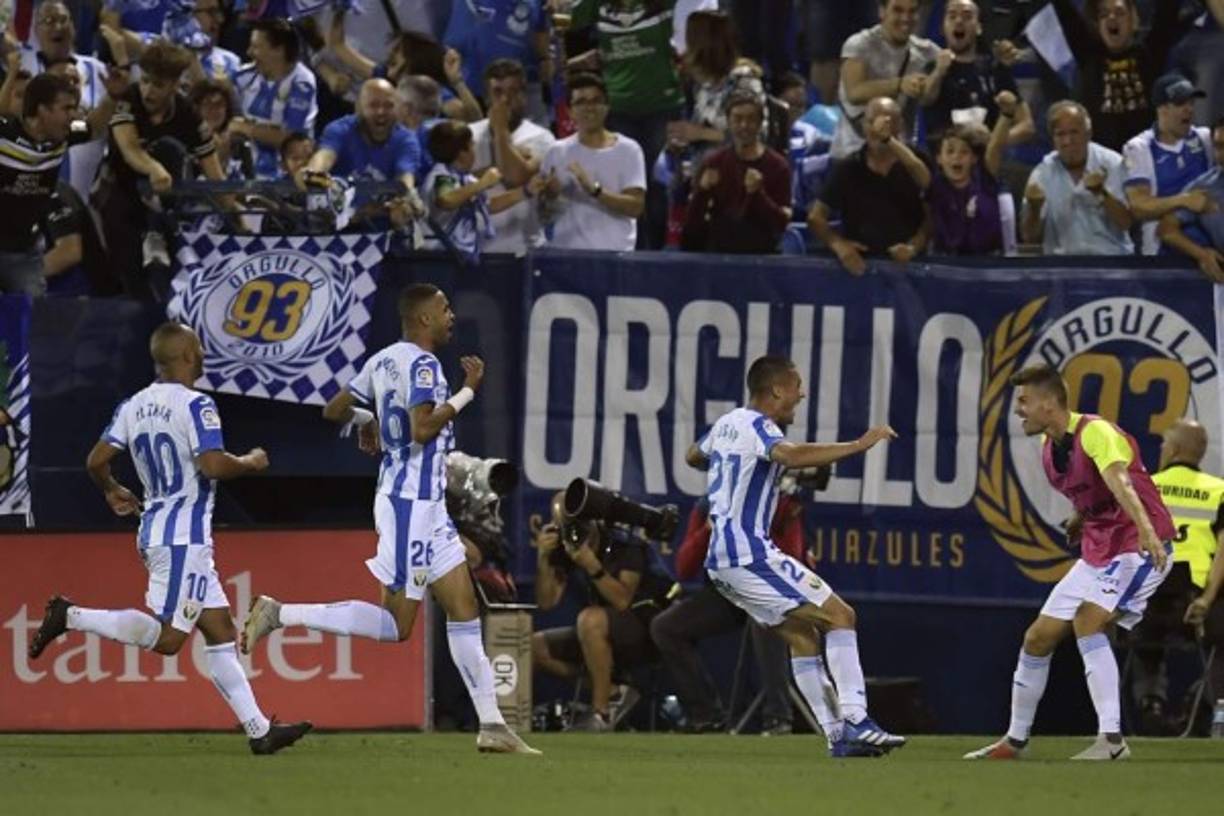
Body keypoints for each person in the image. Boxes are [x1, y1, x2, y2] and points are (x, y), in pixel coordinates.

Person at [241, 284, 540, 756]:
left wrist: (367, 420)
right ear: (423, 319)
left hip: (428, 508)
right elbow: (422, 428)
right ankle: (281, 613)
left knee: (464, 610)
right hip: (408, 506)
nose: (451, 316)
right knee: (396, 626)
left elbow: (333, 410)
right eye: (444, 309)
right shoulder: (423, 365)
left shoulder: (381, 361)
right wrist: (466, 392)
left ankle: (492, 724)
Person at [26, 322, 312, 755]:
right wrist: (251, 462)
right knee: (169, 640)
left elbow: (96, 460)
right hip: (182, 539)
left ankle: (259, 731)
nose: (201, 355)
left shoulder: (133, 405)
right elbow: (213, 465)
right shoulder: (198, 406)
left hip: (162, 531)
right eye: (196, 348)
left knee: (219, 630)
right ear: (183, 356)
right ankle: (71, 616)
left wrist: (111, 489)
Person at [685, 355, 905, 757]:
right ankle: (856, 719)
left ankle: (839, 739)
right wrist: (859, 444)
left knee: (801, 637)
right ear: (775, 390)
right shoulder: (760, 427)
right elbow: (789, 455)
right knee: (841, 616)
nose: (801, 393)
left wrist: (725, 461)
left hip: (721, 562)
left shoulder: (727, 424)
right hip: (747, 552)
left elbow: (692, 456)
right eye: (796, 385)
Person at [965, 364, 1175, 761]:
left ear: (1049, 403)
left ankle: (1112, 742)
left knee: (1088, 620)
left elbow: (1120, 481)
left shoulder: (1096, 432)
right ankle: (1015, 740)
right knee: (1037, 637)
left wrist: (1146, 530)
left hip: (1139, 546)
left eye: (1024, 401)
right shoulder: (1050, 450)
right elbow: (1096, 492)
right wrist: (1081, 519)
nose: (1018, 411)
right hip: (1099, 551)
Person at [651, 492, 827, 737]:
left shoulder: (779, 504)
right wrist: (708, 530)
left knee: (765, 614)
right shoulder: (708, 505)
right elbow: (684, 568)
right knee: (665, 627)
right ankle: (706, 717)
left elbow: (792, 560)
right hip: (726, 592)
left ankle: (778, 716)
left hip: (769, 589)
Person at [532, 493, 675, 732]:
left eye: (580, 526)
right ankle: (614, 692)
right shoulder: (565, 547)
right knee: (534, 647)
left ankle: (601, 713)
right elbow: (547, 602)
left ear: (594, 521)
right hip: (597, 635)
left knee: (590, 619)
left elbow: (622, 600)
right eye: (566, 527)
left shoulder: (625, 544)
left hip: (646, 631)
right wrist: (543, 558)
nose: (576, 533)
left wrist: (592, 566)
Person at [95, 40, 224, 299]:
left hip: (169, 200)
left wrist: (237, 218)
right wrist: (153, 168)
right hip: (122, 194)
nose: (148, 91)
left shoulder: (187, 112)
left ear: (176, 85)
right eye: (144, 81)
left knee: (170, 149)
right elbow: (130, 148)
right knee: (132, 278)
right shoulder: (128, 99)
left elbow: (214, 173)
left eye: (158, 85)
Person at [1127, 419, 1224, 734]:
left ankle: (1150, 705)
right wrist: (1208, 599)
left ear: (1177, 449)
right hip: (1196, 606)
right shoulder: (1218, 492)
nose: (1162, 449)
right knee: (1219, 649)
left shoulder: (1145, 488)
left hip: (1147, 605)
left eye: (1166, 444)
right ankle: (1197, 706)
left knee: (1143, 645)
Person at [809, 96, 929, 275]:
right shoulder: (848, 167)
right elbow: (816, 217)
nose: (877, 129)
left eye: (887, 122)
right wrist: (839, 245)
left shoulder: (918, 162)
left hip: (911, 269)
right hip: (860, 269)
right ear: (864, 126)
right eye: (871, 122)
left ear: (900, 125)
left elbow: (932, 213)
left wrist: (914, 247)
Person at [1050, 0, 1187, 152]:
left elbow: (1167, 11)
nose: (1111, 17)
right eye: (1104, 14)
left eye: (1120, 13)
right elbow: (1066, 14)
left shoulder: (1150, 53)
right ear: (1098, 25)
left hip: (1144, 156)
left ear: (1133, 21)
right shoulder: (1089, 54)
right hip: (1102, 160)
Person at [538, 73, 646, 252]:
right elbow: (543, 216)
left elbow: (635, 207)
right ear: (570, 111)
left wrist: (595, 190)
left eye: (596, 100)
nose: (589, 108)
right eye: (581, 102)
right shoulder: (556, 152)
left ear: (607, 106)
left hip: (615, 256)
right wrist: (551, 196)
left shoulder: (629, 149)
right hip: (567, 255)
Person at [0, 73, 86, 296]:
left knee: (31, 323)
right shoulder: (5, 133)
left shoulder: (61, 141)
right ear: (41, 109)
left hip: (24, 253)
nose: (73, 116)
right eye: (66, 109)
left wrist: (114, 98)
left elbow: (71, 250)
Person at [681, 93, 791, 254]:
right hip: (719, 255)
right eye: (737, 119)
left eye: (751, 119)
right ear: (728, 123)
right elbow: (691, 226)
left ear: (760, 124)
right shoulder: (713, 163)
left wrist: (757, 194)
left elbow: (780, 224)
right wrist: (702, 192)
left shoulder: (778, 166)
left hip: (763, 257)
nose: (744, 125)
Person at [830, 0, 941, 160]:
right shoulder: (860, 44)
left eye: (912, 11)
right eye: (898, 10)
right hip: (853, 153)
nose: (905, 18)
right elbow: (854, 92)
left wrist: (940, 70)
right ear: (882, 11)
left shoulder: (926, 51)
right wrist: (900, 84)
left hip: (899, 155)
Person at [466, 59, 557, 255]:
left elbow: (516, 177)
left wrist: (500, 129)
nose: (505, 99)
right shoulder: (467, 135)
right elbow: (459, 186)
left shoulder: (542, 137)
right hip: (474, 249)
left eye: (514, 91)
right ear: (486, 97)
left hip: (525, 250)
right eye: (498, 92)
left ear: (524, 95)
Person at [1022, 101, 1134, 256]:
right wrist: (1034, 209)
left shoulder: (1112, 162)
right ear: (1053, 139)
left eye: (1074, 132)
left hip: (1112, 262)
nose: (1067, 141)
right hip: (1062, 267)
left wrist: (1102, 193)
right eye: (1060, 134)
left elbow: (1126, 223)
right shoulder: (1042, 173)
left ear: (1088, 134)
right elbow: (1029, 237)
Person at [1123, 73, 1216, 256]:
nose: (1189, 109)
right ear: (1162, 109)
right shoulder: (1139, 148)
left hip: (1209, 249)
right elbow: (1138, 206)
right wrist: (1184, 200)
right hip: (1161, 253)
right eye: (1181, 104)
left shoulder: (1205, 139)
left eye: (1191, 103)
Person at [923, 0, 1034, 150]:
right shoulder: (932, 68)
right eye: (952, 16)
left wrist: (993, 142)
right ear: (943, 27)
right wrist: (938, 72)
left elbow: (1026, 126)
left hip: (985, 165)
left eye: (967, 16)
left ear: (979, 28)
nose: (959, 21)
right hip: (942, 166)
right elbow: (925, 99)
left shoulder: (994, 69)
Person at [422, 121, 539, 259]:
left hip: (461, 258)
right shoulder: (441, 175)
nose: (474, 149)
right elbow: (446, 200)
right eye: (471, 145)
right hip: (437, 259)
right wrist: (482, 183)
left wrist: (526, 191)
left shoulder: (465, 178)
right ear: (462, 153)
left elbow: (489, 205)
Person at [302, 79, 421, 210]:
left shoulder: (406, 140)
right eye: (373, 105)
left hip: (379, 223)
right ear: (358, 108)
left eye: (389, 105)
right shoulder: (340, 129)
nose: (381, 112)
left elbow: (405, 179)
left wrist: (407, 199)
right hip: (334, 220)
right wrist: (314, 174)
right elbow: (325, 157)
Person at [922, 91, 1013, 256]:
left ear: (974, 159)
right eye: (950, 151)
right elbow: (913, 164)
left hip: (988, 263)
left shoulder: (984, 180)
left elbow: (995, 147)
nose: (956, 156)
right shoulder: (935, 185)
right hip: (948, 267)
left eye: (964, 152)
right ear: (939, 159)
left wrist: (1006, 114)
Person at [231, 19, 319, 179]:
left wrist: (244, 128)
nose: (249, 52)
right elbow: (211, 98)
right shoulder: (247, 75)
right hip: (246, 177)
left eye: (256, 46)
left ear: (278, 50)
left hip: (289, 180)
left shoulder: (302, 82)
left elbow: (291, 141)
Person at [1157, 116, 1224, 281]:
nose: (1222, 154)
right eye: (1219, 147)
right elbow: (1166, 229)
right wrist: (1201, 254)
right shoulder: (1204, 188)